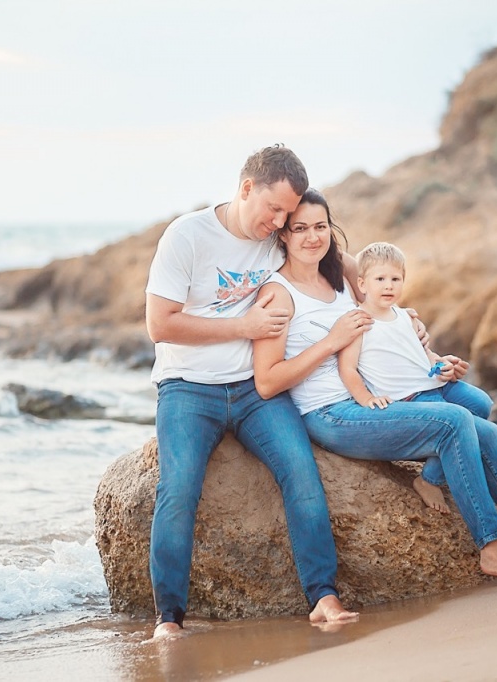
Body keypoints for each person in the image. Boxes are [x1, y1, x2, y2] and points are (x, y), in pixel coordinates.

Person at [252, 188, 497, 586]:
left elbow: (385, 307)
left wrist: (421, 339)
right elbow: (267, 382)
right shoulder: (278, 293)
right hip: (331, 412)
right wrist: (330, 343)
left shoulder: (338, 273)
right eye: (300, 228)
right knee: (454, 421)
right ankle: (494, 549)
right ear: (283, 234)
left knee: (488, 432)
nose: (312, 237)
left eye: (320, 226)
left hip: (378, 397)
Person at [144, 145, 358, 639]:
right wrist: (245, 326)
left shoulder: (274, 237)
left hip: (254, 391)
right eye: (274, 209)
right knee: (178, 489)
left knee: (300, 471)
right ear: (246, 188)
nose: (280, 223)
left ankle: (323, 597)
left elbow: (339, 258)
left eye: (288, 214)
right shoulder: (187, 236)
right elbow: (160, 325)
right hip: (188, 389)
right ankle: (168, 619)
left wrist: (394, 313)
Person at [338, 241, 494, 514]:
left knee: (481, 404)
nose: (389, 286)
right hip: (409, 396)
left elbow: (423, 355)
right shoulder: (360, 322)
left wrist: (440, 364)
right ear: (362, 283)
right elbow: (347, 368)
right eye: (380, 279)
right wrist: (366, 398)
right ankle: (430, 479)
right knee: (457, 421)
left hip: (431, 383)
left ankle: (436, 463)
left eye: (395, 279)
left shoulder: (405, 316)